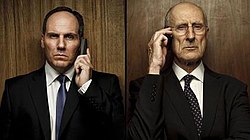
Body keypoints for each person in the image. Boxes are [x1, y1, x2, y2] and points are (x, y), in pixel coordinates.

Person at [128, 2, 250, 140]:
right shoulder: (145, 88)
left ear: (206, 33)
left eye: (197, 27)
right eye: (181, 28)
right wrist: (154, 67)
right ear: (168, 35)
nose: (191, 36)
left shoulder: (233, 89)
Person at [0, 6, 124, 140]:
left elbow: (118, 134)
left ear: (81, 43)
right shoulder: (15, 90)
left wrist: (87, 87)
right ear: (43, 41)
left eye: (69, 37)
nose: (61, 45)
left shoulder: (107, 84)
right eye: (53, 36)